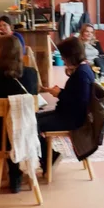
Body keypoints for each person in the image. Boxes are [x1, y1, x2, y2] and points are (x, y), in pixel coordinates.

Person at [0, 36, 38, 194]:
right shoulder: (31, 73)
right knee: (14, 123)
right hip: (26, 134)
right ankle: (15, 175)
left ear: (2, 52)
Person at [37, 36, 94, 173]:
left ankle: (50, 157)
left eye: (63, 56)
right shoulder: (82, 70)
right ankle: (49, 156)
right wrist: (60, 92)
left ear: (71, 55)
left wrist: (60, 94)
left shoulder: (82, 74)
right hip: (67, 114)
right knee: (32, 118)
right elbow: (76, 95)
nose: (62, 59)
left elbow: (80, 103)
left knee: (32, 124)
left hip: (73, 119)